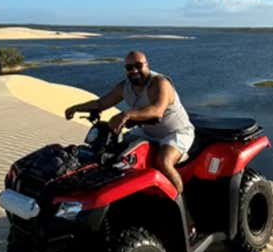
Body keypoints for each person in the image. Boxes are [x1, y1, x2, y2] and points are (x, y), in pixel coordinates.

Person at [64, 50, 195, 194]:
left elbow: (157, 110)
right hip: (147, 131)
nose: (134, 70)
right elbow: (101, 103)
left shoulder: (160, 83)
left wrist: (127, 114)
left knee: (164, 161)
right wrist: (76, 108)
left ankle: (178, 197)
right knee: (114, 153)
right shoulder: (125, 87)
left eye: (138, 65)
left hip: (176, 132)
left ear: (147, 65)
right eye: (129, 67)